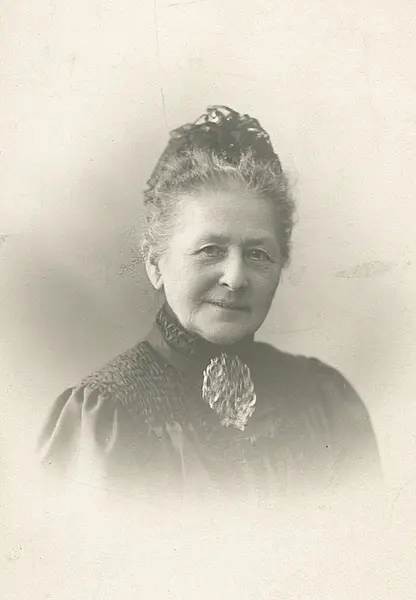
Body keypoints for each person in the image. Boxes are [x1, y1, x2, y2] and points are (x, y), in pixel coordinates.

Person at [38, 105, 381, 501]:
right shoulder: (106, 416)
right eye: (210, 250)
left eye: (257, 254)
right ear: (155, 264)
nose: (235, 278)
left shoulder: (325, 401)